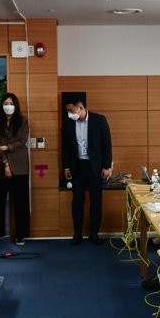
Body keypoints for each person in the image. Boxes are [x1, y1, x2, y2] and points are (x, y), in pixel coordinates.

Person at [62, 95, 112, 245]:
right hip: (77, 166)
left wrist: (106, 166)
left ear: (81, 108)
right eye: (68, 111)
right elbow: (66, 147)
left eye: (72, 110)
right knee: (77, 200)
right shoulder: (69, 123)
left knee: (96, 200)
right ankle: (77, 233)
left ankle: (94, 233)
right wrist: (66, 166)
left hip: (95, 167)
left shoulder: (99, 120)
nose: (70, 113)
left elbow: (107, 144)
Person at [0, 93, 30, 245]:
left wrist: (7, 147)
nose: (8, 106)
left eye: (11, 103)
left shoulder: (23, 121)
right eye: (5, 103)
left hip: (20, 166)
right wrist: (5, 163)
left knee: (21, 202)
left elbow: (22, 141)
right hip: (0, 166)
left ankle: (21, 234)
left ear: (15, 105)